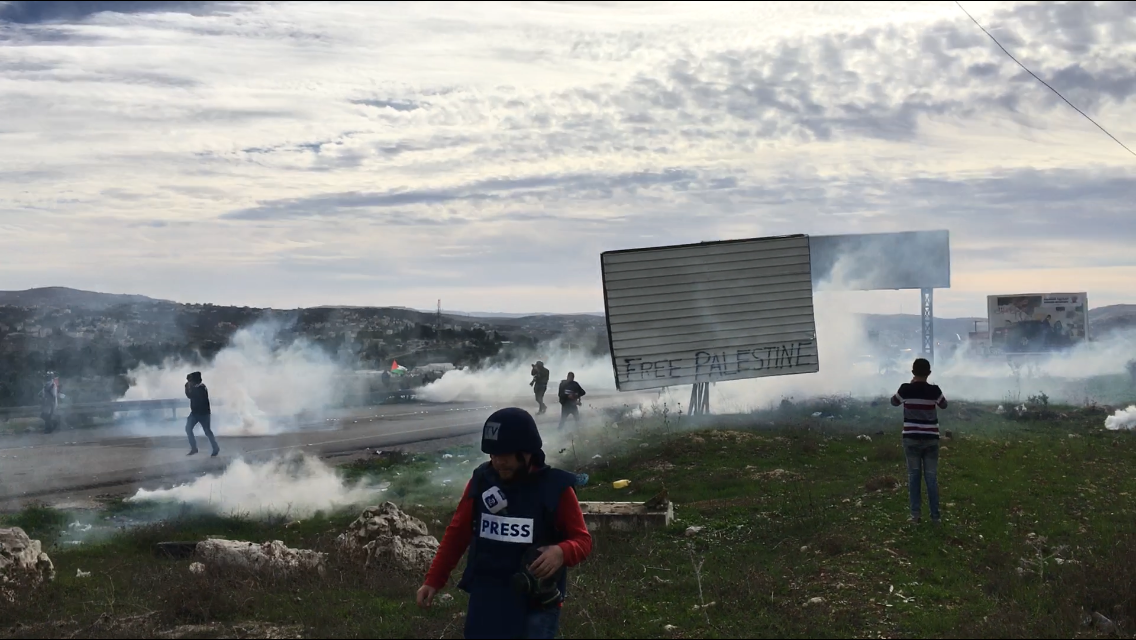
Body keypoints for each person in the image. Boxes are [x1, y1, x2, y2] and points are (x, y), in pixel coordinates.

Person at [416, 407, 592, 639]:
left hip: (535, 605)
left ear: (527, 452)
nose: (498, 462)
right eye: (493, 455)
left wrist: (561, 552)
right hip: (487, 597)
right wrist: (434, 580)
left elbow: (583, 540)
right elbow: (458, 532)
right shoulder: (482, 481)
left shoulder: (556, 488)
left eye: (506, 455)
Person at [890, 358, 948, 524]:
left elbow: (894, 402)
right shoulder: (935, 390)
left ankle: (915, 516)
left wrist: (910, 386)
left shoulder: (905, 389)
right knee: (931, 478)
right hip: (931, 439)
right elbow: (944, 405)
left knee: (914, 477)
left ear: (913, 372)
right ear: (929, 373)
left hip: (911, 438)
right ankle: (935, 517)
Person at [184, 371, 219, 457]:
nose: (190, 382)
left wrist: (187, 388)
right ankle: (194, 448)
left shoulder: (201, 388)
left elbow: (191, 395)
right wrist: (187, 388)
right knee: (188, 429)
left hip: (203, 414)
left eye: (191, 380)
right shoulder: (196, 387)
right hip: (195, 413)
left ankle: (215, 448)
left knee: (207, 431)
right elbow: (190, 395)